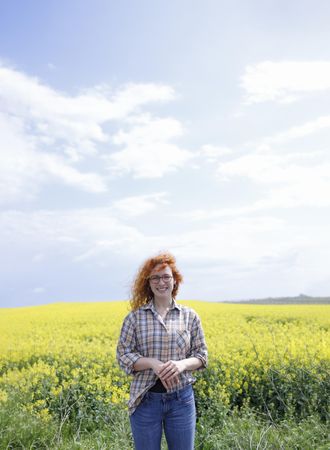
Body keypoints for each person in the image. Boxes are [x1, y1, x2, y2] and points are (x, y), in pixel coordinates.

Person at [116, 252, 208, 450]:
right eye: (155, 278)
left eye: (166, 276)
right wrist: (152, 363)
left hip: (181, 400)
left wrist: (181, 364)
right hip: (146, 399)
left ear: (175, 281)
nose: (161, 282)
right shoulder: (134, 318)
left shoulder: (190, 316)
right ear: (147, 283)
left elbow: (201, 355)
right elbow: (123, 355)